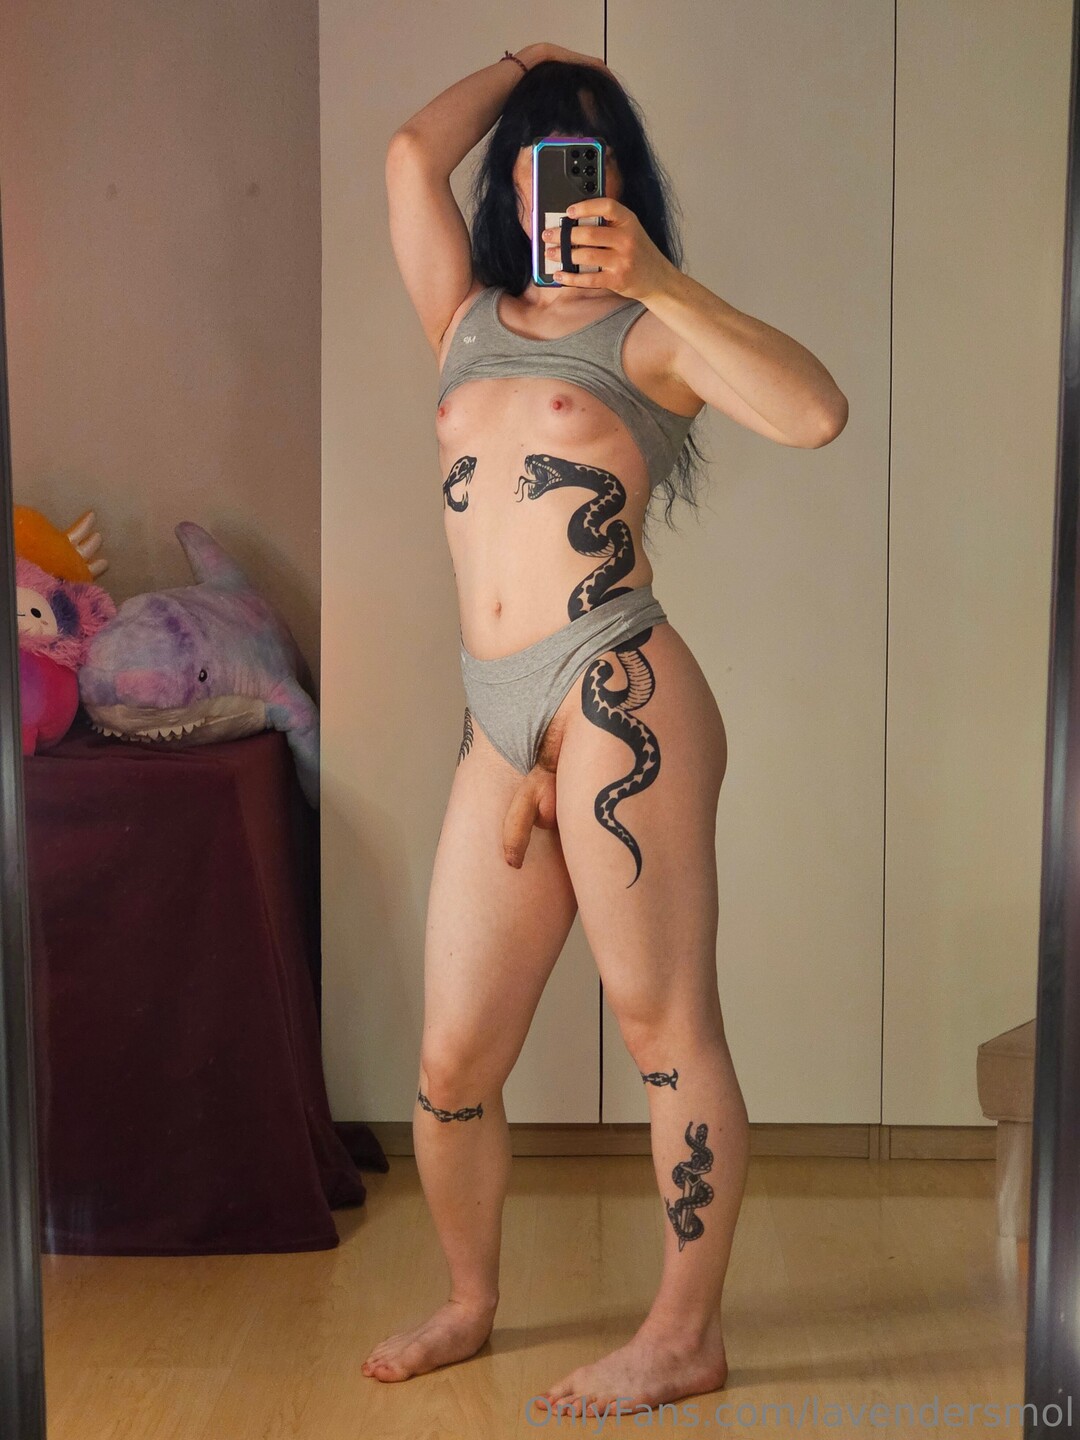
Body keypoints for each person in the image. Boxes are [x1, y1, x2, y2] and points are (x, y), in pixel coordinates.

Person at [364, 42, 848, 1416]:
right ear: (510, 191)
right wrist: (531, 63)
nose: (565, 190)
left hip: (616, 691)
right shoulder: (462, 322)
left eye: (592, 163)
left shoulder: (651, 334)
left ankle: (685, 1335)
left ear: (625, 189)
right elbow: (409, 155)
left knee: (664, 1026)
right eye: (541, 163)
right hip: (494, 720)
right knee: (452, 1061)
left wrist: (664, 280)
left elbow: (815, 412)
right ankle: (470, 1298)